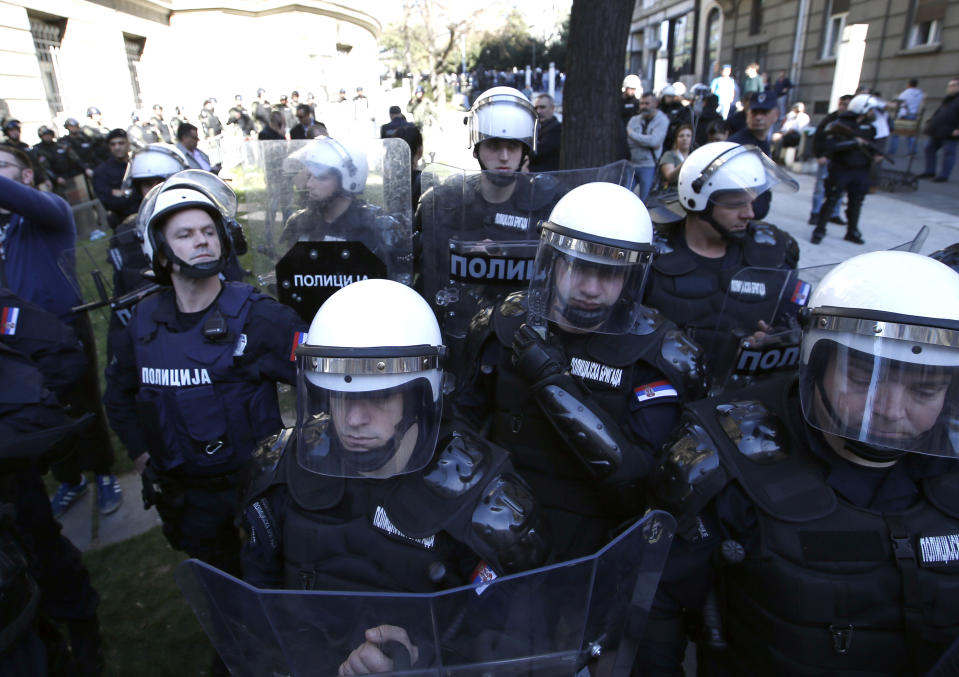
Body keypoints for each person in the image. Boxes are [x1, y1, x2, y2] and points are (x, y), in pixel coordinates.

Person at [641, 250, 959, 677]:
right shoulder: (723, 456)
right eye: (863, 378)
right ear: (817, 362)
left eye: (924, 392)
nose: (890, 409)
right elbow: (653, 615)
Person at [241, 277, 550, 614]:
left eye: (379, 396)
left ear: (420, 399)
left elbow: (507, 639)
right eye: (339, 396)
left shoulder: (488, 506)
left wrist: (422, 655)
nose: (354, 418)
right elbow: (257, 608)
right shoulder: (279, 467)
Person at [451, 182, 705, 560]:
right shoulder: (504, 325)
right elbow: (460, 432)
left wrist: (552, 381)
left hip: (598, 546)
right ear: (552, 261)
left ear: (632, 277)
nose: (589, 288)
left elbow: (644, 486)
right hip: (497, 529)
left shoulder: (658, 352)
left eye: (609, 274)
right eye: (578, 267)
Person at [103, 169, 305, 584]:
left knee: (276, 583)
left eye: (209, 231)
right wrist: (142, 456)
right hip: (186, 494)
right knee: (218, 587)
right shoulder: (140, 323)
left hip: (258, 488)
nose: (201, 240)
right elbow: (119, 397)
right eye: (185, 234)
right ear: (160, 253)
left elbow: (320, 383)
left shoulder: (263, 317)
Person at [0, 145, 123, 518]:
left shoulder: (49, 209)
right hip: (13, 337)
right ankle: (69, 479)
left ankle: (103, 472)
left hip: (61, 329)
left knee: (82, 404)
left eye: (2, 166)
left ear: (24, 176)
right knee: (33, 407)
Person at [0, 295, 105, 676]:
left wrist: (23, 425)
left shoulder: (4, 313)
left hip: (12, 490)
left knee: (43, 555)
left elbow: (63, 355)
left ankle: (83, 635)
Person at [644, 142, 800, 385]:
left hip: (742, 395)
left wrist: (779, 339)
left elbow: (796, 323)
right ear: (698, 199)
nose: (749, 213)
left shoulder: (774, 252)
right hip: (664, 388)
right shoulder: (652, 253)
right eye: (736, 203)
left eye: (752, 201)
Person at [416, 86, 558, 347]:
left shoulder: (546, 209)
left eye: (513, 146)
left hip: (518, 337)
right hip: (455, 331)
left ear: (525, 150)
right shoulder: (445, 202)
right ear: (477, 148)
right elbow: (426, 275)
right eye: (493, 145)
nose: (504, 157)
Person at [812, 93, 880, 245]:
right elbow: (830, 146)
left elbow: (874, 144)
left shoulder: (870, 127)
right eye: (870, 110)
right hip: (841, 169)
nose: (872, 113)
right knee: (831, 200)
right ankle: (820, 230)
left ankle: (852, 231)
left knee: (856, 203)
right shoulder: (839, 124)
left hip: (861, 170)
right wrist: (854, 143)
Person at [728, 91, 779, 220]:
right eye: (754, 112)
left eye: (764, 112)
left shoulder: (763, 142)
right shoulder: (738, 145)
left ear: (776, 115)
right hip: (738, 218)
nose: (758, 117)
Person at [809, 94, 852, 226]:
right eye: (842, 103)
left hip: (842, 162)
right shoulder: (830, 120)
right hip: (827, 159)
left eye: (847, 104)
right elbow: (819, 138)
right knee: (820, 188)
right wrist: (820, 155)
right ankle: (815, 213)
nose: (843, 107)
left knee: (839, 189)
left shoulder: (853, 122)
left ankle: (834, 214)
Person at [92, 128, 141, 229]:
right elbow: (109, 202)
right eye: (113, 144)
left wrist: (124, 193)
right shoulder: (101, 172)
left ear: (128, 143)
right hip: (123, 223)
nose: (117, 147)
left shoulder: (139, 163)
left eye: (121, 143)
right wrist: (133, 194)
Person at [627, 92, 669, 201]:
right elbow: (629, 142)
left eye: (647, 103)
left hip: (649, 165)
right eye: (641, 104)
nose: (644, 106)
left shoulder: (662, 120)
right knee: (625, 196)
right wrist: (646, 140)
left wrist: (633, 135)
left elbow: (654, 142)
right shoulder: (634, 120)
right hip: (632, 164)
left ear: (655, 104)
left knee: (646, 200)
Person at [919, 78, 959, 183]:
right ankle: (930, 171)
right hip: (939, 131)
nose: (950, 88)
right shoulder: (948, 99)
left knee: (948, 153)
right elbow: (940, 113)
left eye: (954, 85)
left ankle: (944, 175)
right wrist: (931, 121)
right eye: (950, 85)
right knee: (929, 149)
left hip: (951, 132)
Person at [33, 125, 86, 197]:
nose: (47, 137)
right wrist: (56, 178)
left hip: (68, 173)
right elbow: (44, 168)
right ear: (41, 137)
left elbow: (73, 159)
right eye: (45, 135)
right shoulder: (39, 149)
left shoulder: (59, 145)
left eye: (49, 134)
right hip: (55, 178)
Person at [888, 79, 924, 156]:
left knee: (895, 133)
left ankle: (892, 151)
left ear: (909, 84)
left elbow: (899, 103)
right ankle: (912, 151)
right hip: (913, 115)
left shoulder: (905, 93)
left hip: (903, 115)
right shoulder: (920, 94)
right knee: (910, 134)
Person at [529, 93, 561, 172]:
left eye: (542, 107)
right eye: (536, 108)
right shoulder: (536, 128)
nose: (538, 111)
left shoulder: (557, 129)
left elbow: (537, 153)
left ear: (552, 108)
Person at [658, 123, 692, 191]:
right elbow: (670, 177)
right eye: (681, 136)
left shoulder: (695, 156)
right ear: (676, 139)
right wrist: (685, 162)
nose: (685, 138)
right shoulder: (669, 155)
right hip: (672, 194)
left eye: (688, 136)